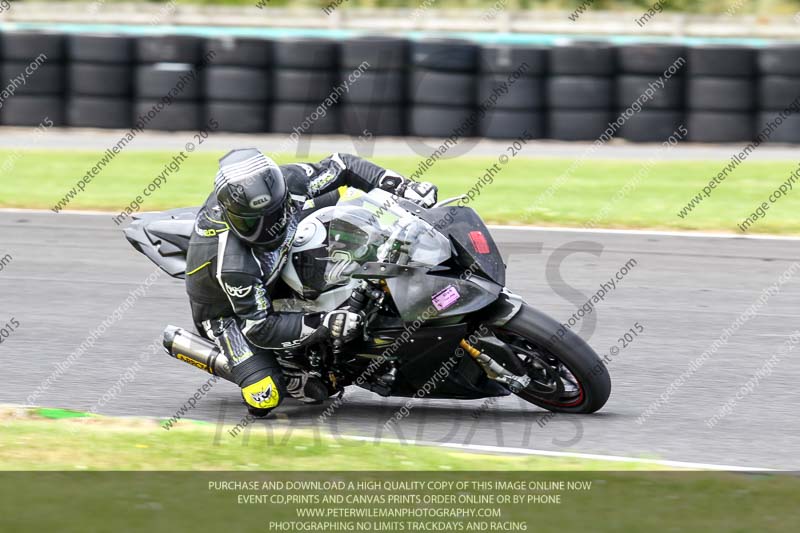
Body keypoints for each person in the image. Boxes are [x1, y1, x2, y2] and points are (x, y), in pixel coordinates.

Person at [184, 148, 438, 417]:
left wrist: (403, 186)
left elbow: (342, 165)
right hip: (229, 316)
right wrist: (325, 323)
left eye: (273, 214)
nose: (267, 228)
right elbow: (259, 327)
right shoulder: (234, 266)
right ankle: (270, 368)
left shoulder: (290, 181)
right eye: (251, 223)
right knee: (266, 396)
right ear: (232, 217)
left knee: (343, 200)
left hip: (277, 260)